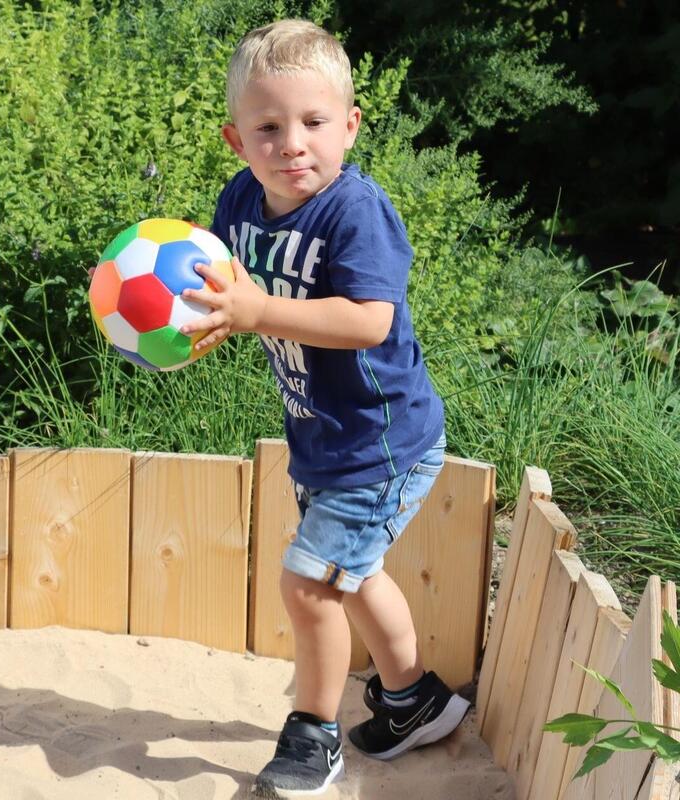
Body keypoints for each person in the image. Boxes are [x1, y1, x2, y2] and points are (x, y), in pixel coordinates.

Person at [187, 18, 471, 798]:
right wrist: (188, 322)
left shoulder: (355, 212)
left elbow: (368, 320)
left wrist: (258, 314)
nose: (292, 144)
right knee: (351, 573)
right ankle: (414, 697)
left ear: (349, 124)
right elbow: (227, 287)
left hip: (381, 443)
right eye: (268, 127)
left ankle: (314, 736)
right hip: (324, 436)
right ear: (235, 140)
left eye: (314, 122)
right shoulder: (241, 201)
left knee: (309, 586)